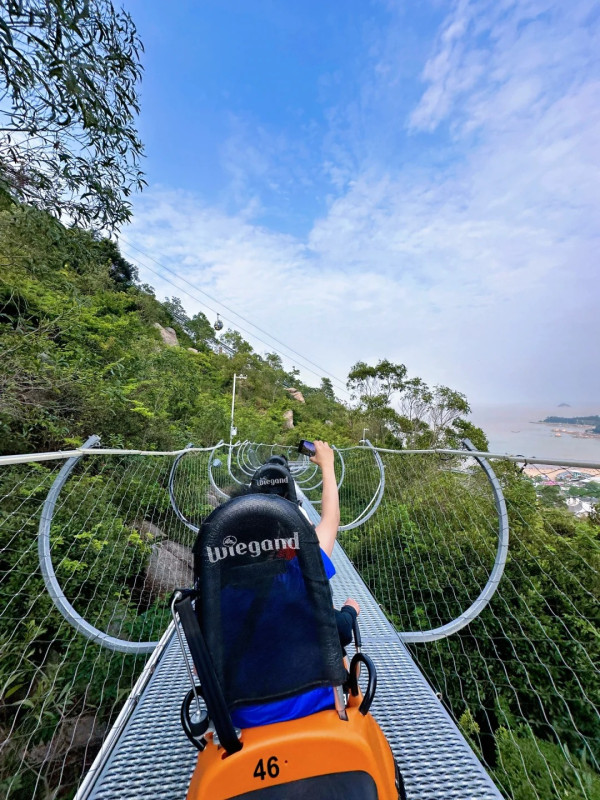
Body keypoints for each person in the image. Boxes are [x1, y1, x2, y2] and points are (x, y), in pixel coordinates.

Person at [228, 440, 360, 729]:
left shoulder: (219, 582)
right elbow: (330, 520)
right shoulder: (300, 568)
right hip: (314, 704)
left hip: (242, 715)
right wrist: (350, 611)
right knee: (339, 639)